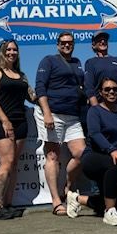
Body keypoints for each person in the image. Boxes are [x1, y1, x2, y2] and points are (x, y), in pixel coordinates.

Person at [34, 32, 87, 216]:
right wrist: (47, 112)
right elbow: (40, 86)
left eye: (70, 43)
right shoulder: (48, 61)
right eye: (63, 43)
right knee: (52, 156)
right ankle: (56, 201)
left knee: (81, 153)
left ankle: (67, 186)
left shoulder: (77, 63)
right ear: (58, 45)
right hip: (52, 113)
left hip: (72, 116)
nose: (67, 45)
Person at [66, 77, 117, 226]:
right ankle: (109, 213)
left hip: (115, 159)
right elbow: (95, 134)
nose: (111, 92)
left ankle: (77, 199)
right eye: (107, 89)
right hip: (93, 158)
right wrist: (112, 150)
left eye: (115, 88)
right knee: (115, 164)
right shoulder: (95, 111)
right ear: (100, 92)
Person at [0, 39, 36, 220]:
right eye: (8, 49)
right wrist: (5, 121)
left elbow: (33, 97)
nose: (12, 53)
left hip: (21, 123)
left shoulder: (21, 76)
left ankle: (8, 204)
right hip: (1, 123)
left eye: (15, 50)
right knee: (6, 163)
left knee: (14, 165)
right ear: (2, 52)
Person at [84, 31, 117, 111]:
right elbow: (89, 89)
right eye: (99, 40)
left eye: (105, 39)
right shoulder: (90, 62)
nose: (103, 41)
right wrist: (97, 111)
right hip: (101, 107)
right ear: (93, 45)